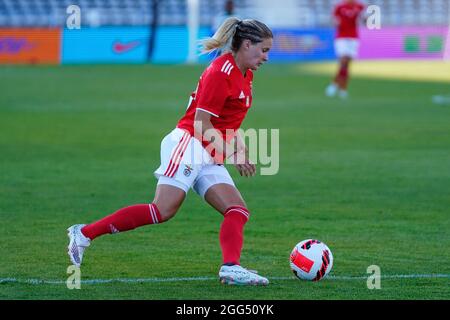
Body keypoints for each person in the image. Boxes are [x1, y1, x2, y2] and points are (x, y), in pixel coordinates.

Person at [67, 17, 273, 286]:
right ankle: (83, 233)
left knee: (237, 210)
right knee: (162, 210)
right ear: (246, 44)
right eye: (264, 50)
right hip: (189, 144)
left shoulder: (246, 75)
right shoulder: (220, 73)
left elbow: (229, 122)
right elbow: (201, 123)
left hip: (209, 149)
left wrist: (241, 149)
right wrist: (234, 155)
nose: (267, 57)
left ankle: (230, 268)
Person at [325, 0, 366, 99]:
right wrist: (335, 23)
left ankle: (339, 87)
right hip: (342, 37)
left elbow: (365, 20)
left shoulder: (360, 6)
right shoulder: (339, 7)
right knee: (343, 61)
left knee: (347, 65)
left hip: (353, 38)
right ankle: (339, 87)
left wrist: (365, 19)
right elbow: (333, 19)